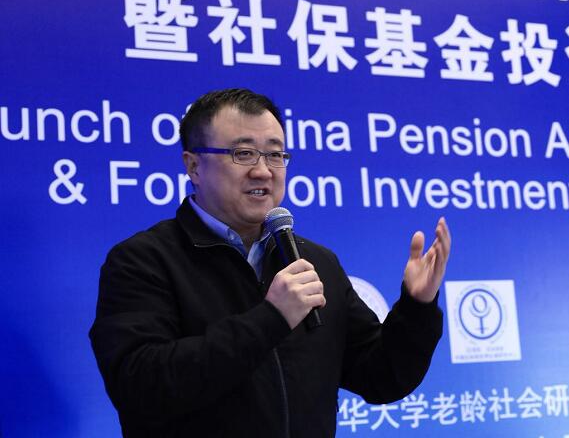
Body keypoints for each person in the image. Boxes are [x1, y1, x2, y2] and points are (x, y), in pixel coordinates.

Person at [89, 88, 451, 438]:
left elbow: (382, 377)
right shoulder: (143, 260)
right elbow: (141, 387)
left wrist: (417, 307)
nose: (263, 171)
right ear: (194, 166)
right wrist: (271, 318)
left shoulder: (315, 261)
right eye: (244, 153)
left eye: (275, 155)